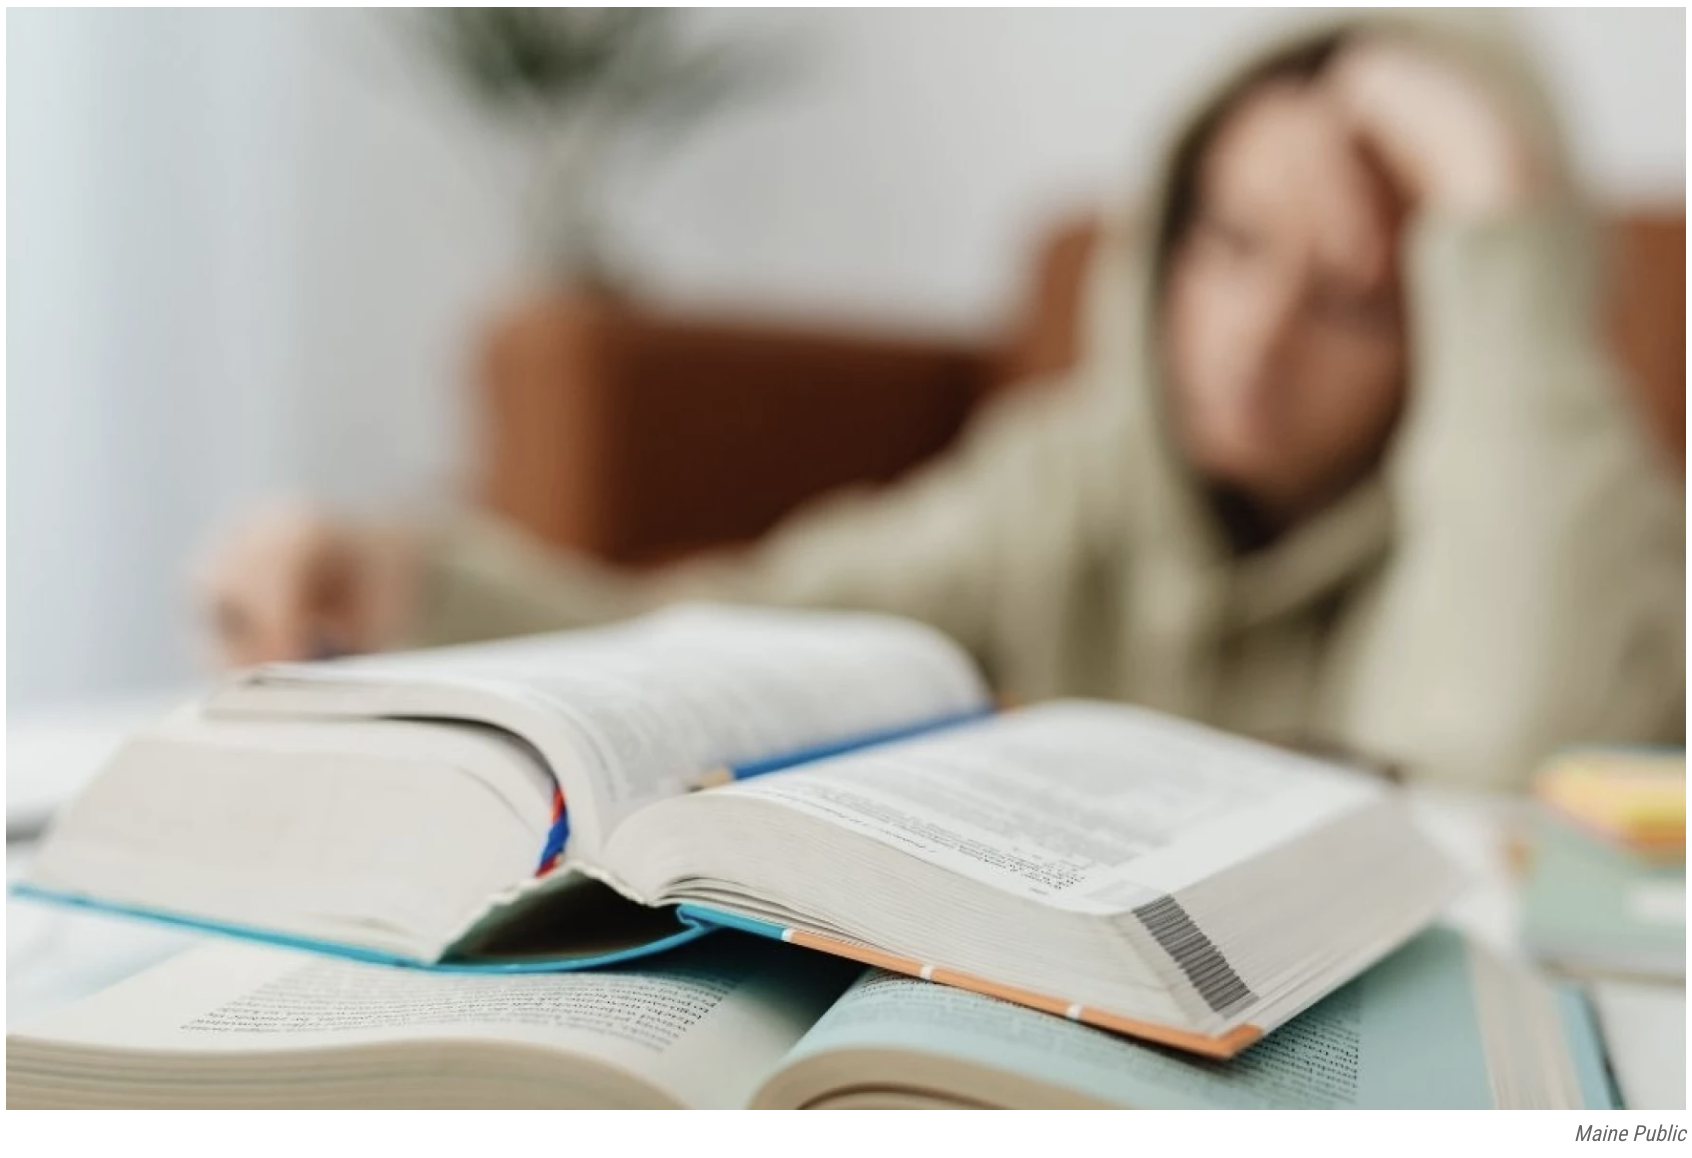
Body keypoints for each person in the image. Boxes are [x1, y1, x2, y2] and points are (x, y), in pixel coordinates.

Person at [197, 17, 1684, 789]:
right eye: (1228, 242)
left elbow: (1500, 772)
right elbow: (749, 620)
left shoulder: (1582, 522)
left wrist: (1492, 199)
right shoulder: (1068, 484)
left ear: (1466, 319)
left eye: (1352, 293)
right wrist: (411, 584)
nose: (1254, 331)